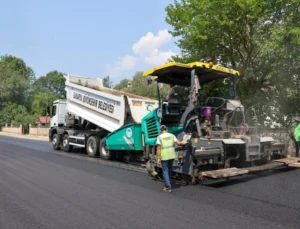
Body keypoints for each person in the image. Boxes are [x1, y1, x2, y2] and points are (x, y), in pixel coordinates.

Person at [156, 125, 188, 193]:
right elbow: (179, 143)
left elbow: (158, 148)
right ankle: (167, 184)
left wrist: (158, 157)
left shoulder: (160, 137)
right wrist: (184, 142)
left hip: (164, 155)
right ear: (166, 129)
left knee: (165, 171)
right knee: (169, 170)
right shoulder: (172, 135)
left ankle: (168, 187)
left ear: (161, 130)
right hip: (171, 155)